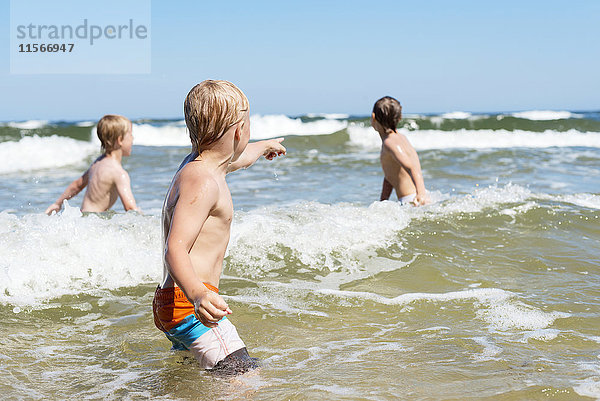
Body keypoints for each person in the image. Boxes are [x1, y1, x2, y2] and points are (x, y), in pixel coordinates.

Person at [152, 80, 286, 375]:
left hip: (173, 302)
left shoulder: (200, 166)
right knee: (243, 377)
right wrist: (198, 295)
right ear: (239, 130)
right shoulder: (204, 182)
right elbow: (174, 248)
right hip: (191, 304)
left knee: (194, 377)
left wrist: (263, 146)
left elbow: (239, 158)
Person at [45, 114, 140, 214]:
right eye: (130, 134)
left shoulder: (98, 163)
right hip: (95, 220)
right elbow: (130, 208)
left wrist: (57, 203)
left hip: (84, 216)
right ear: (120, 140)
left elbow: (77, 185)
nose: (133, 138)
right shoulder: (119, 173)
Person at [371, 96, 428, 205]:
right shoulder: (400, 138)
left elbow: (411, 167)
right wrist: (382, 202)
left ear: (373, 117)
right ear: (399, 118)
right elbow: (390, 176)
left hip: (411, 200)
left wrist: (421, 194)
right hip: (414, 197)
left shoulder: (389, 142)